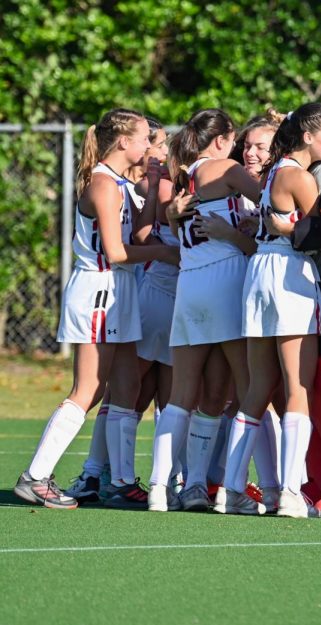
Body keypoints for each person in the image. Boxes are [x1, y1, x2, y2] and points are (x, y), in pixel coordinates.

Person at [14, 108, 178, 509]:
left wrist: (154, 186)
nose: (148, 145)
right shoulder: (103, 185)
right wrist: (166, 252)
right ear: (123, 142)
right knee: (87, 389)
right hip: (99, 291)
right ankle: (35, 477)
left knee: (126, 385)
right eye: (143, 138)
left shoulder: (121, 182)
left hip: (118, 291)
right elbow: (118, 252)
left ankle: (120, 481)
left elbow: (133, 227)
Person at [219, 104, 321, 518]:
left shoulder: (271, 174)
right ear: (307, 136)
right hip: (287, 274)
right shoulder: (297, 175)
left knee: (257, 386)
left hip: (261, 271)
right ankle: (289, 492)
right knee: (297, 387)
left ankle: (230, 488)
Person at [147, 108, 261, 513]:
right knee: (251, 390)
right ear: (222, 138)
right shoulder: (226, 168)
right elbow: (273, 195)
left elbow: (177, 221)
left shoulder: (185, 175)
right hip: (225, 280)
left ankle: (168, 487)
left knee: (190, 395)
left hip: (190, 286)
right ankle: (243, 489)